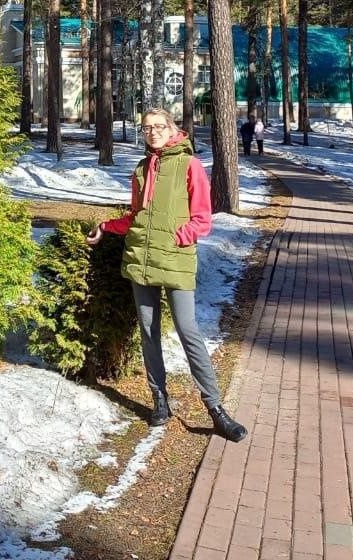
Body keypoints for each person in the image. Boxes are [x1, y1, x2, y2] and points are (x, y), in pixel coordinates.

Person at [88, 107, 248, 442]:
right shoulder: (142, 168)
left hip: (174, 260)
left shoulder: (189, 165)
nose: (152, 132)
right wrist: (106, 226)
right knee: (148, 332)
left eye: (158, 126)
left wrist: (178, 238)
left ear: (171, 128)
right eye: (146, 127)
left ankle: (215, 408)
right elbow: (136, 216)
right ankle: (159, 399)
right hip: (141, 261)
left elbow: (202, 219)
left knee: (189, 332)